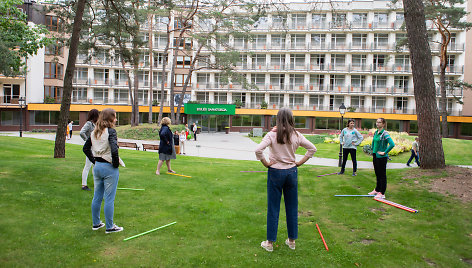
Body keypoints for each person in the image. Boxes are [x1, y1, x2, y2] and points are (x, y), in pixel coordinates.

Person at [255, 108, 317, 252]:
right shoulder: (296, 134)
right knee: (292, 207)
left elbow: (258, 150)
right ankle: (291, 241)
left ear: (277, 119)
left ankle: (269, 243)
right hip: (291, 172)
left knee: (273, 207)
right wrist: (300, 162)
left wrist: (265, 163)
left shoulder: (271, 135)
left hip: (275, 172)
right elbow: (312, 149)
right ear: (291, 119)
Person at [83, 108, 125, 233]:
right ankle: (110, 226)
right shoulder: (111, 132)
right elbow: (114, 149)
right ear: (110, 118)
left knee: (97, 196)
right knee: (109, 198)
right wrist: (116, 164)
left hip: (97, 167)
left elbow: (86, 149)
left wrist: (94, 161)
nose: (116, 119)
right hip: (108, 167)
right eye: (115, 117)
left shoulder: (94, 132)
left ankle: (96, 223)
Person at [368, 118, 395, 199]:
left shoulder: (385, 134)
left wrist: (385, 152)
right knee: (377, 173)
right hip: (375, 155)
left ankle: (382, 192)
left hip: (382, 157)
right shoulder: (376, 132)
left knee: (382, 175)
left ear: (383, 124)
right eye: (377, 122)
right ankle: (377, 189)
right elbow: (373, 142)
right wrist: (373, 150)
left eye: (379, 122)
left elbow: (392, 144)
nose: (377, 124)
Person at [79, 109, 100, 191]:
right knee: (88, 165)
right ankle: (84, 185)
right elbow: (81, 132)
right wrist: (87, 140)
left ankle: (96, 184)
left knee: (95, 165)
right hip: (90, 148)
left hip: (96, 147)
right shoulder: (89, 124)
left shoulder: (96, 124)